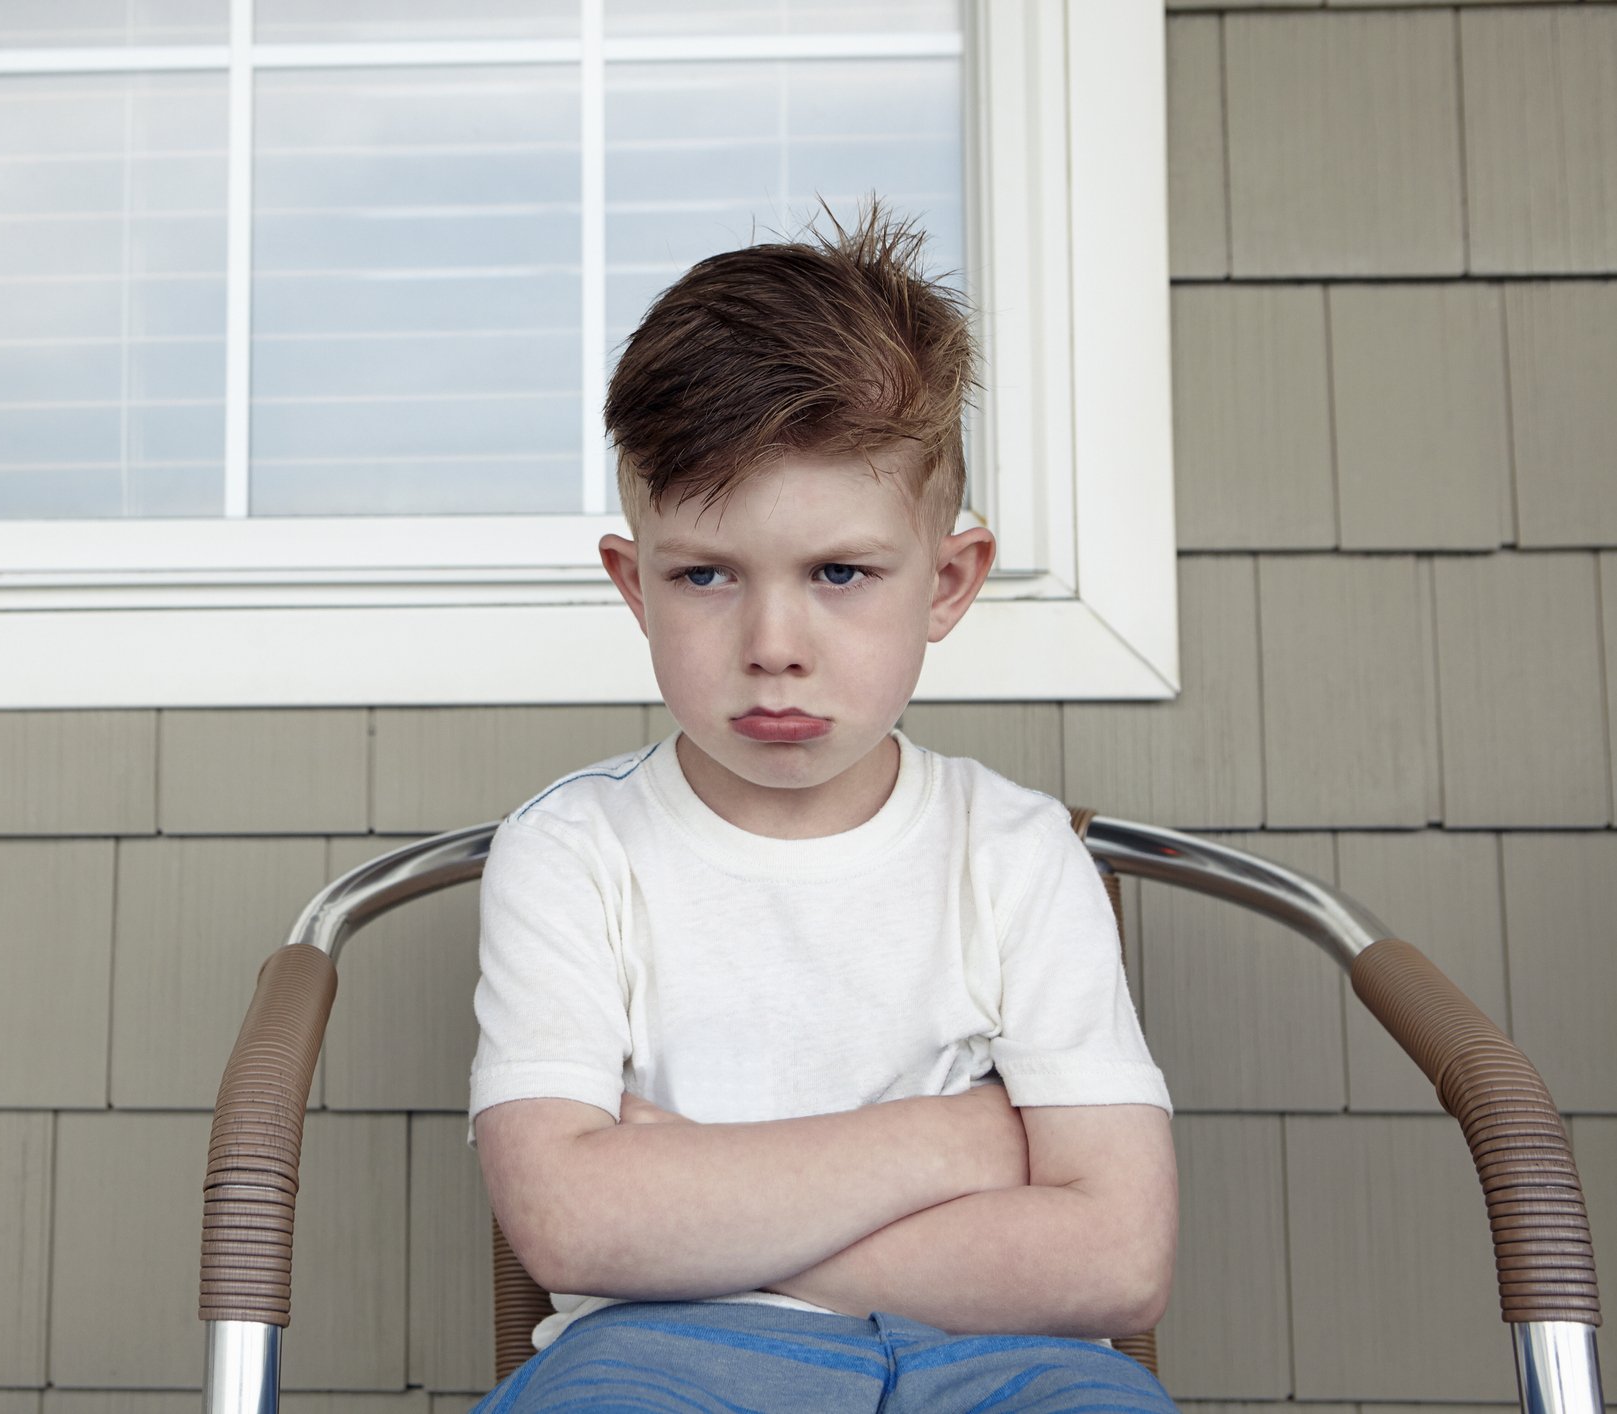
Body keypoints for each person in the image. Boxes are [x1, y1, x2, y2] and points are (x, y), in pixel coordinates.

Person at [464, 201, 1180, 1414]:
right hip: (654, 1366)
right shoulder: (574, 854)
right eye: (706, 575)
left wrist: (692, 1204)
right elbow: (574, 1229)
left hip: (1007, 1366)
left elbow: (1116, 1260)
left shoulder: (1014, 856)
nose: (774, 646)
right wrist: (957, 1145)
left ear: (947, 583)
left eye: (840, 573)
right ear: (633, 585)